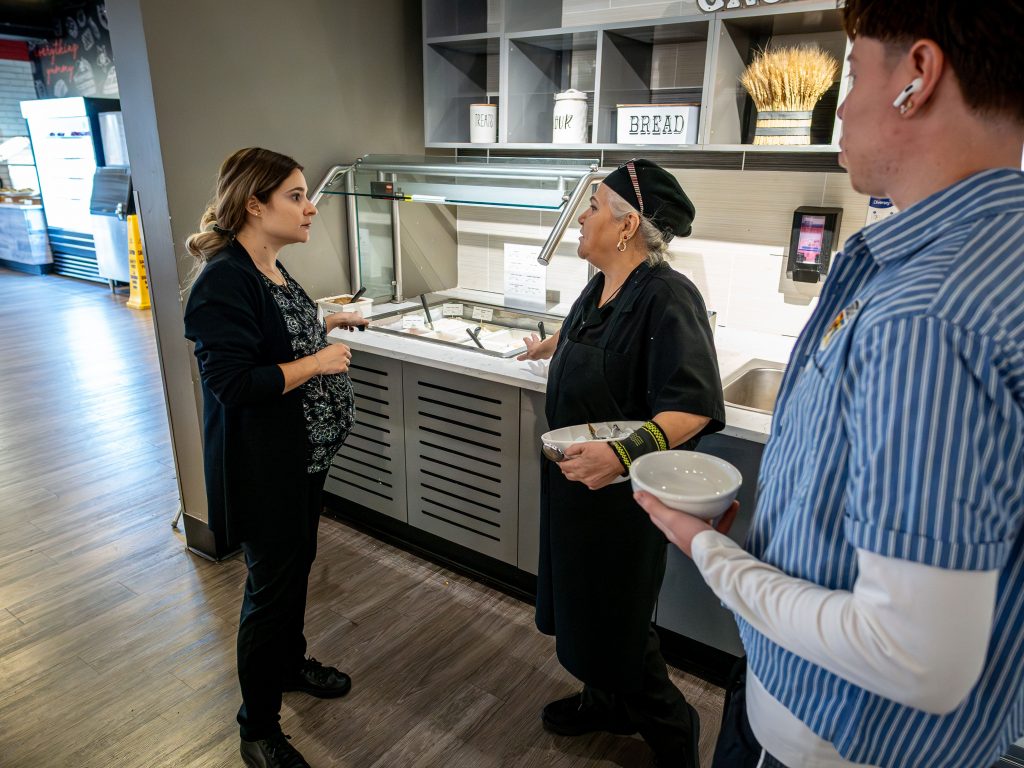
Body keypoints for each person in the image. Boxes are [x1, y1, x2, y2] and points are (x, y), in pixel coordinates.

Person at [634, 2, 1024, 767]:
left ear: (918, 75)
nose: (840, 108)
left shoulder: (926, 314)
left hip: (833, 738)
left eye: (853, 75)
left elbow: (914, 656)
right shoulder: (990, 257)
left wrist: (711, 553)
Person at [519, 159, 725, 766]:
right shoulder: (601, 285)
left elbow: (693, 408)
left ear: (627, 224)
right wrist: (550, 346)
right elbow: (593, 336)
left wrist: (620, 455)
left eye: (592, 207)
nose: (581, 218)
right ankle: (603, 703)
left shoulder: (669, 296)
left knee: (618, 623)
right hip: (576, 488)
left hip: (623, 502)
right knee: (583, 608)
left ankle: (674, 730)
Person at [183, 147, 368, 768]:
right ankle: (257, 729)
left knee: (295, 568)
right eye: (295, 195)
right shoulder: (223, 280)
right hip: (266, 470)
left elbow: (274, 334)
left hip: (304, 460)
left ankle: (288, 664)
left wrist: (326, 322)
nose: (310, 207)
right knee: (269, 592)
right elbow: (235, 383)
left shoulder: (270, 267)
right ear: (253, 205)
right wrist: (318, 361)